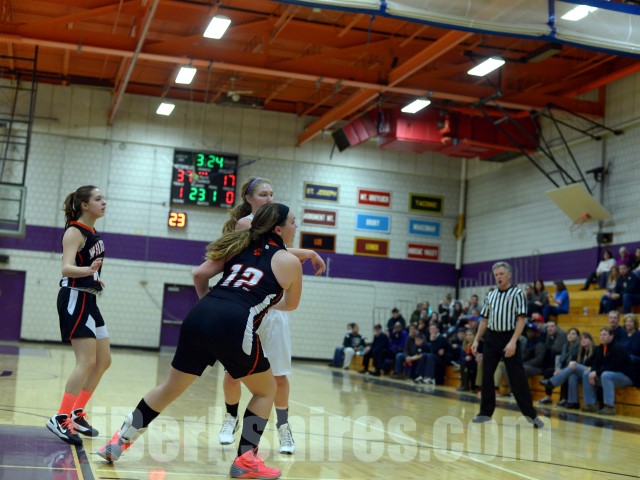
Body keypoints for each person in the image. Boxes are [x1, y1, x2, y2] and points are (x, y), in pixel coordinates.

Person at [97, 203, 302, 479]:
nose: (296, 227)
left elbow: (199, 274)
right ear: (278, 229)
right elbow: (291, 304)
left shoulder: (239, 245)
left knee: (169, 387)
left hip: (200, 313)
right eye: (293, 222)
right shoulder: (289, 261)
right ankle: (246, 460)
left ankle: (118, 441)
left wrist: (214, 304)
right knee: (266, 390)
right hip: (235, 321)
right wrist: (255, 303)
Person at [219, 177, 325, 454]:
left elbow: (281, 253)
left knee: (279, 376)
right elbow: (275, 250)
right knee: (233, 374)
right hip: (245, 309)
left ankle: (283, 427)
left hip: (271, 309)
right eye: (263, 194)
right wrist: (309, 252)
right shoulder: (245, 224)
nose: (269, 198)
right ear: (248, 198)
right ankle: (230, 418)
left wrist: (306, 253)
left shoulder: (280, 224)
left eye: (271, 193)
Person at [46, 186, 110, 446]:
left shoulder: (92, 233)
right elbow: (66, 268)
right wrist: (88, 271)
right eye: (98, 199)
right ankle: (61, 418)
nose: (104, 202)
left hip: (89, 298)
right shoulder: (74, 232)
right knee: (85, 362)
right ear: (84, 205)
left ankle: (77, 412)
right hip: (74, 296)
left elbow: (86, 267)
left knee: (103, 361)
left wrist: (94, 277)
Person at [471, 261, 543, 428]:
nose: (499, 277)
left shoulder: (517, 294)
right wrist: (476, 339)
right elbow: (484, 320)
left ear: (509, 275)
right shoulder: (490, 295)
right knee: (487, 376)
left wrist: (513, 341)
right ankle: (485, 413)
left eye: (501, 274)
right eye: (496, 274)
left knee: (517, 378)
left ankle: (531, 416)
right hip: (491, 338)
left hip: (509, 337)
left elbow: (521, 320)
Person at [581, 327, 635, 415]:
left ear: (611, 336)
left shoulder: (618, 347)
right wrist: (593, 371)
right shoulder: (600, 348)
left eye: (605, 335)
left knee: (606, 375)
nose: (602, 337)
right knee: (587, 373)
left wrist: (597, 372)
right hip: (612, 375)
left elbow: (615, 366)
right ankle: (590, 404)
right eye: (600, 335)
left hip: (626, 376)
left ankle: (610, 407)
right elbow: (595, 363)